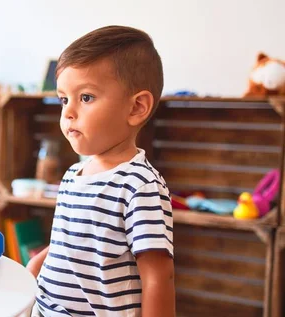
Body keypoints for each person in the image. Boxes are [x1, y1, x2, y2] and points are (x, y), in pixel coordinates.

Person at [26, 25, 175, 317]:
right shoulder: (73, 175)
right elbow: (69, 240)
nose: (68, 112)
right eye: (63, 99)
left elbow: (158, 277)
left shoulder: (139, 185)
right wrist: (36, 265)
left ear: (136, 108)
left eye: (86, 97)